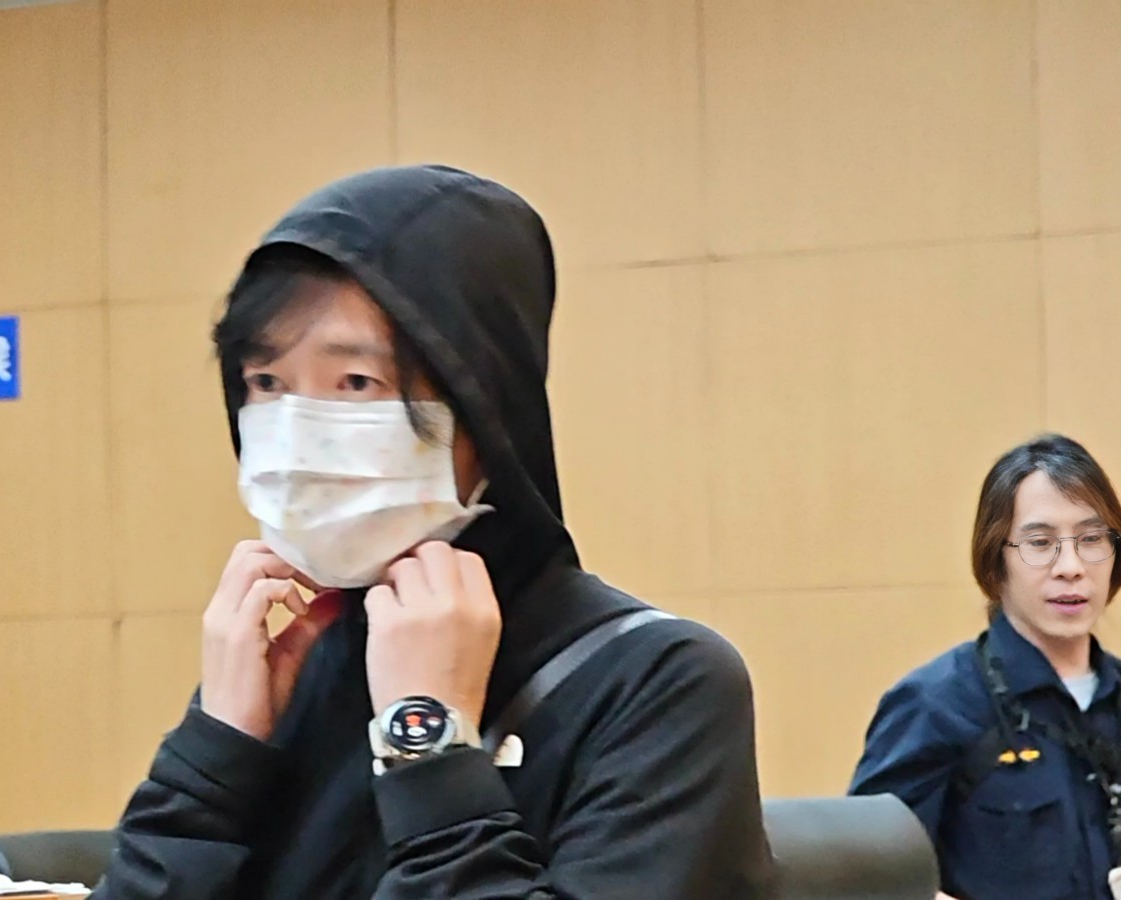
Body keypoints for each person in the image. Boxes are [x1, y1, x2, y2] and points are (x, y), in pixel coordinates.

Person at [95, 165, 776, 898]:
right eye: (265, 384)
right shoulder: (290, 666)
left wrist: (426, 744)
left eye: (356, 384)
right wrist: (213, 757)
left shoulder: (652, 682)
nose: (296, 436)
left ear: (484, 405)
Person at [851, 434, 1121, 900]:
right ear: (994, 561)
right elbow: (870, 880)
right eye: (1040, 543)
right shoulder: (936, 706)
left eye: (1091, 539)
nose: (1071, 567)